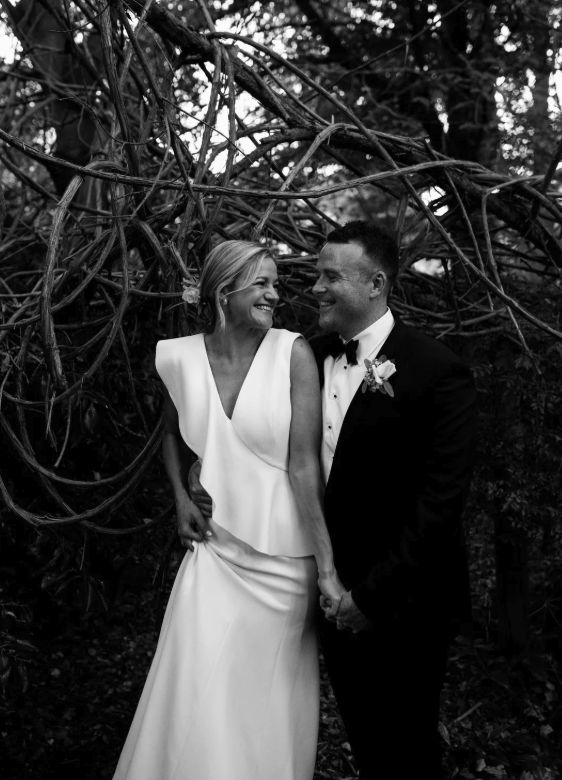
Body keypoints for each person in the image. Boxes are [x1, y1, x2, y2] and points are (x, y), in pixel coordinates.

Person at [111, 240, 344, 780]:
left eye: (276, 283)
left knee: (261, 700)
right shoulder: (177, 356)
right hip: (213, 552)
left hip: (286, 565)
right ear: (225, 290)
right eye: (261, 282)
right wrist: (178, 496)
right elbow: (168, 432)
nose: (275, 294)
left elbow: (304, 467)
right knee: (192, 684)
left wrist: (328, 570)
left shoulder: (293, 352)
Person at [310, 220, 477, 779]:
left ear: (376, 284)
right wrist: (195, 473)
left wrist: (370, 599)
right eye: (317, 274)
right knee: (368, 748)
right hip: (333, 601)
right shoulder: (306, 361)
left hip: (407, 607)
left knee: (408, 752)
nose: (316, 286)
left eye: (331, 275)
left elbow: (439, 505)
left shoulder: (438, 370)